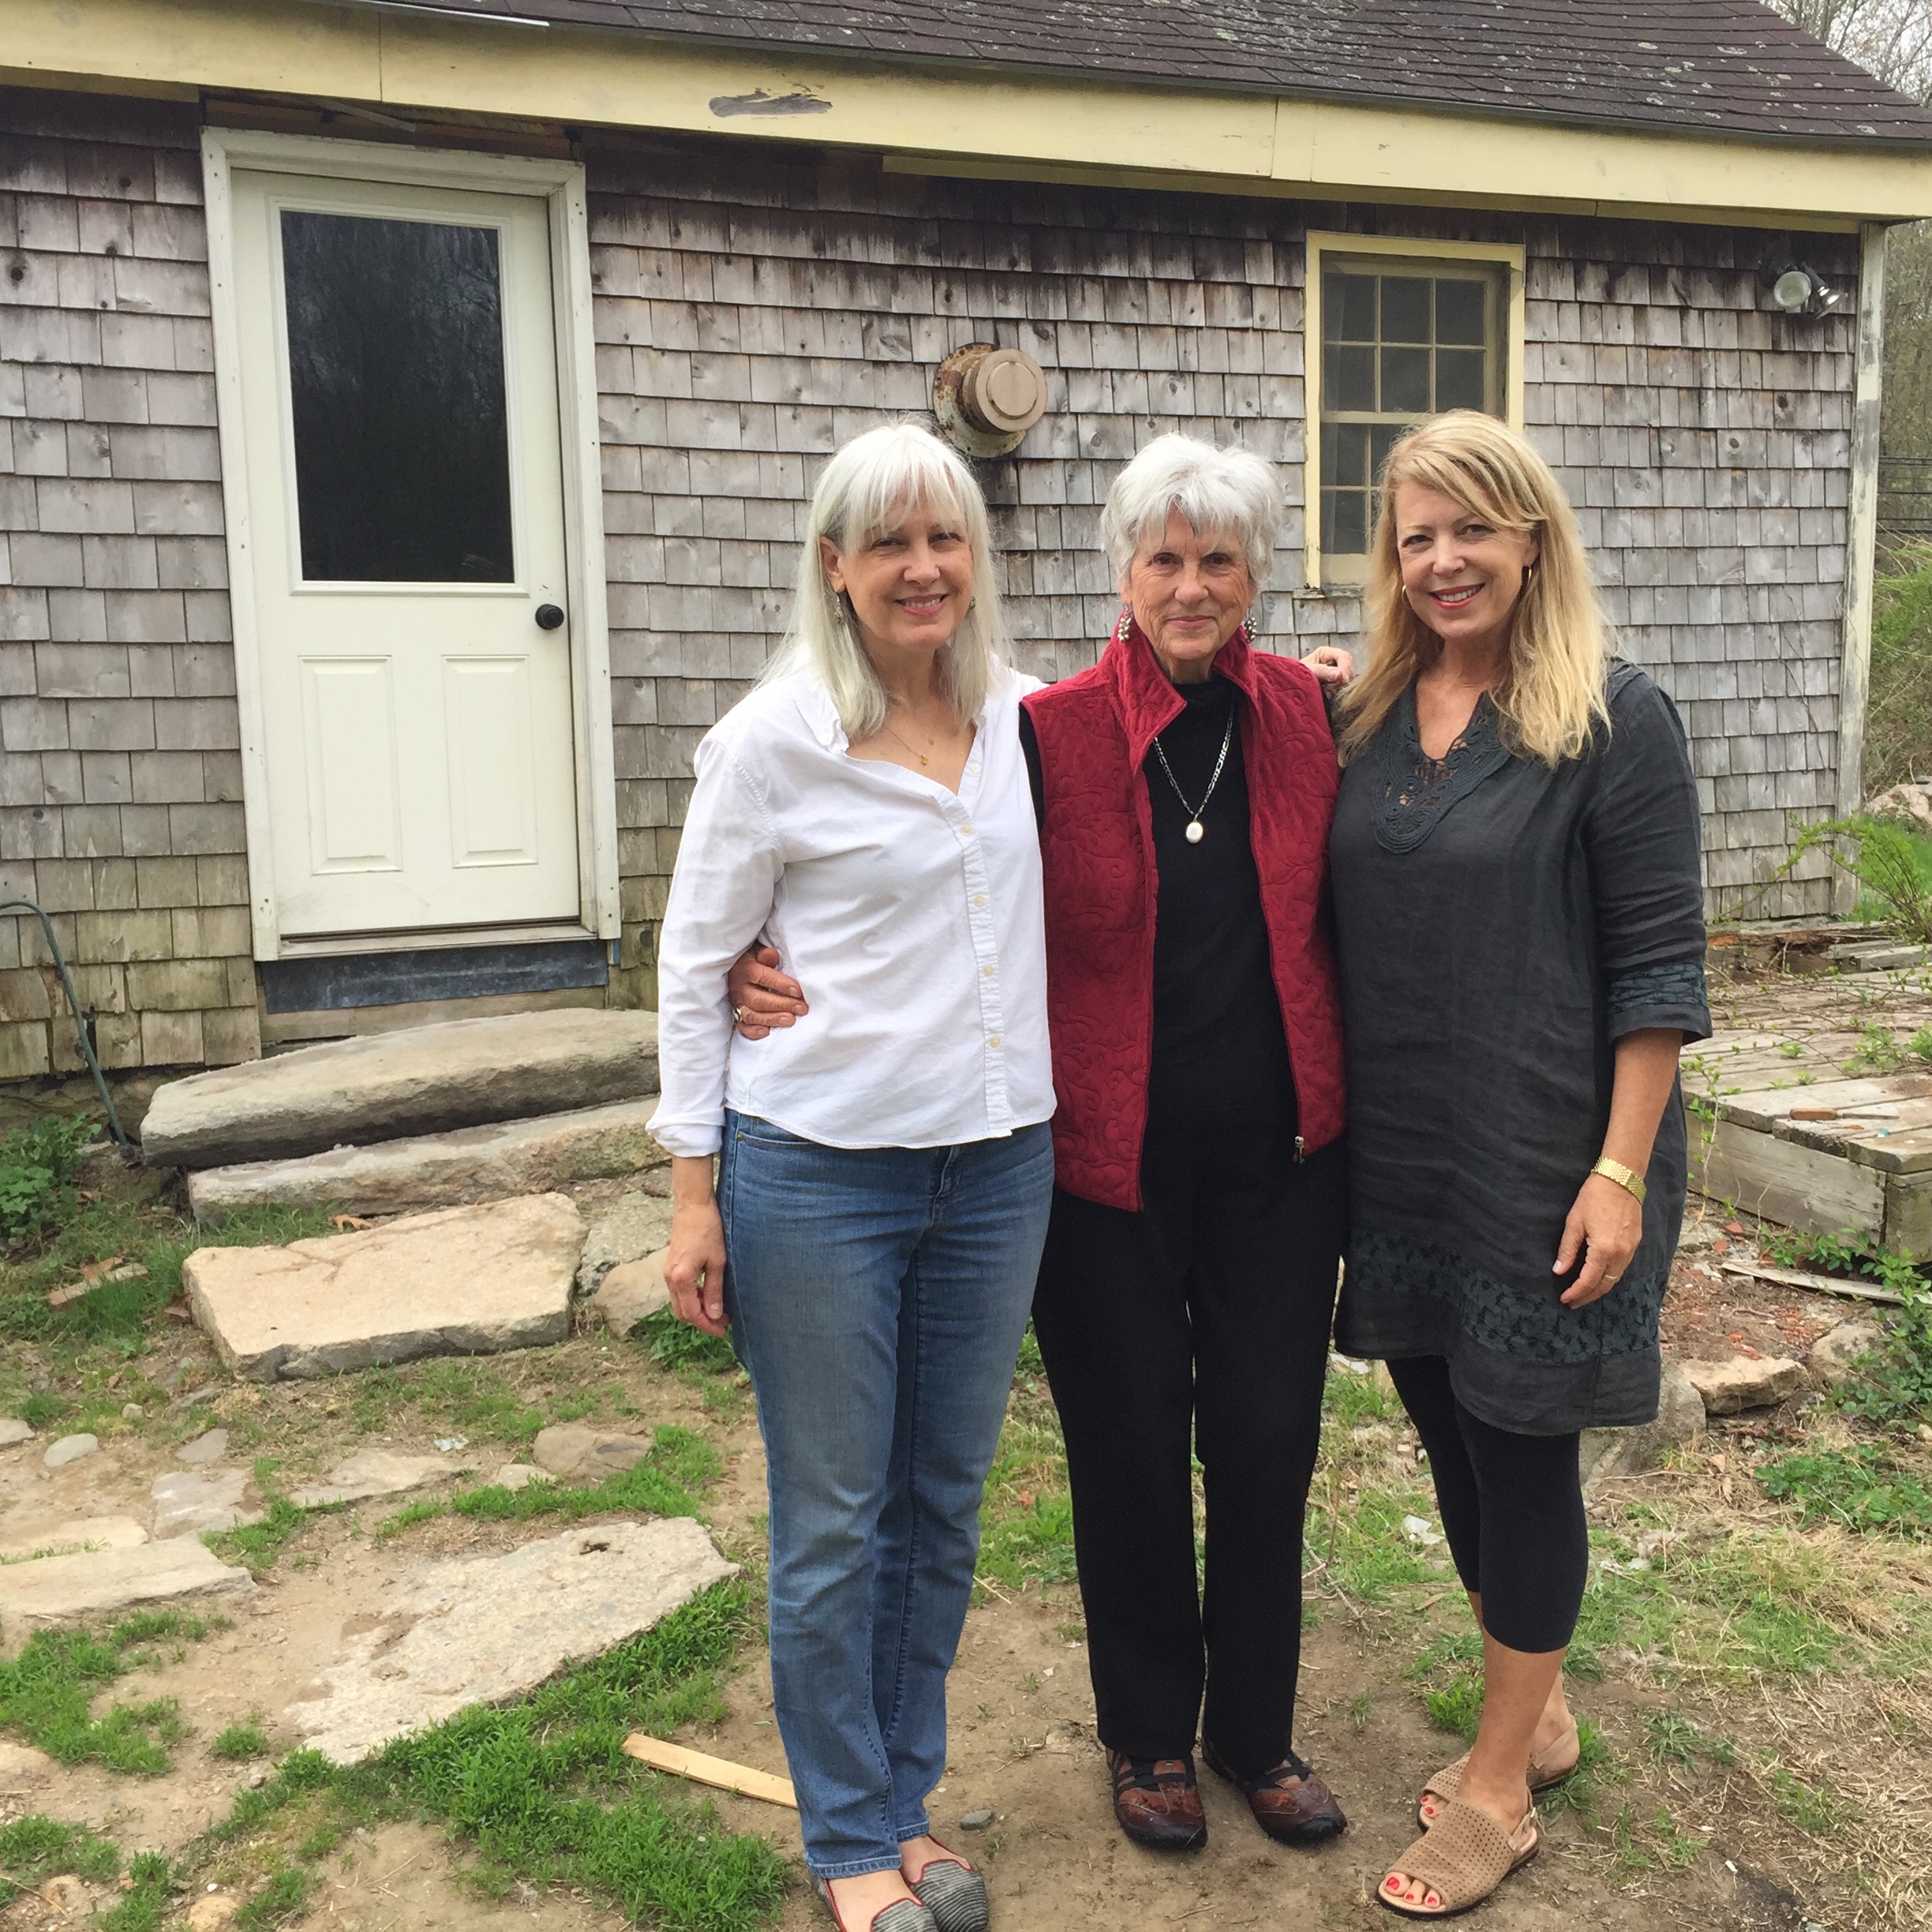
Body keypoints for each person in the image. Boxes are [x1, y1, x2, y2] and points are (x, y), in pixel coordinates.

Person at [734, 435, 1356, 1859]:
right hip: (1101, 1163)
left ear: (1255, 575)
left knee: (1267, 1442)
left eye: (1218, 560)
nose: (1191, 587)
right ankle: (1148, 1737)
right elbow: (908, 856)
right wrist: (745, 962)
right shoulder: (1043, 728)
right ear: (1121, 573)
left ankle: (1256, 1733)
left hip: (1280, 1160)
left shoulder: (1316, 716)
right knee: (1128, 1448)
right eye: (1164, 559)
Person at [651, 421, 1057, 1932]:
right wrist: (694, 1194)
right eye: (888, 542)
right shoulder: (773, 743)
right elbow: (695, 968)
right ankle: (845, 1842)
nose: (922, 567)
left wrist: (1318, 682)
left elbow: (1185, 702)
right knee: (834, 1519)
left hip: (996, 1170)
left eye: (945, 537)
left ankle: (902, 1804)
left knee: (939, 1505)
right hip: (820, 1175)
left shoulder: (1031, 722)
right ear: (835, 565)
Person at [1325, 410, 1709, 1918]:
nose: (1444, 560)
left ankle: (1498, 1788)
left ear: (1532, 540)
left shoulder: (1614, 719)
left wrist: (1619, 1172)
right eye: (1417, 535)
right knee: (1446, 1423)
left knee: (1523, 1446)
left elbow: (1661, 971)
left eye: (1473, 528)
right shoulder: (1366, 714)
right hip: (1406, 1156)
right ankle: (1535, 1713)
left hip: (1550, 1157)